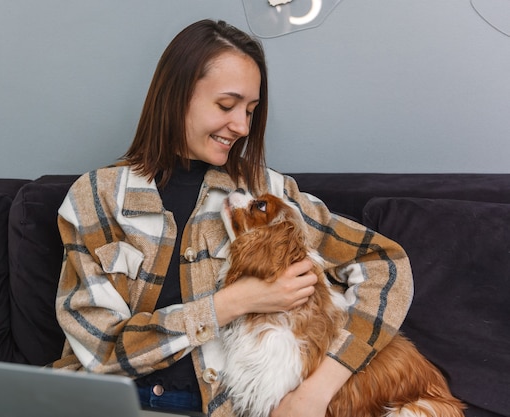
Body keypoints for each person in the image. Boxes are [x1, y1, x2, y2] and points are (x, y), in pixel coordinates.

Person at [52, 19, 413, 417]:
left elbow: (386, 266)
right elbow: (101, 348)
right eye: (226, 105)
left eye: (250, 110)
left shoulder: (267, 196)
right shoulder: (95, 198)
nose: (241, 126)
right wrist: (232, 302)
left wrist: (317, 391)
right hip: (108, 402)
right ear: (177, 96)